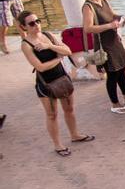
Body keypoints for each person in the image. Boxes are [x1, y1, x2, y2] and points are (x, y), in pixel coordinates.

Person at [18, 10, 94, 156]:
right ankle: (58, 145)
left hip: (61, 77)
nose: (37, 25)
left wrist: (50, 47)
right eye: (32, 24)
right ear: (24, 27)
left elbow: (67, 50)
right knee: (52, 114)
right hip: (45, 83)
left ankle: (75, 134)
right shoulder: (26, 45)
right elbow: (40, 66)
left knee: (69, 109)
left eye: (38, 21)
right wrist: (58, 59)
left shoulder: (48, 35)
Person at [82, 0, 125, 114]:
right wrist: (109, 25)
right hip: (104, 44)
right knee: (112, 74)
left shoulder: (103, 0)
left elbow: (112, 15)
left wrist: (121, 18)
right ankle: (115, 103)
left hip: (114, 41)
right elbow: (88, 28)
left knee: (121, 69)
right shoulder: (88, 7)